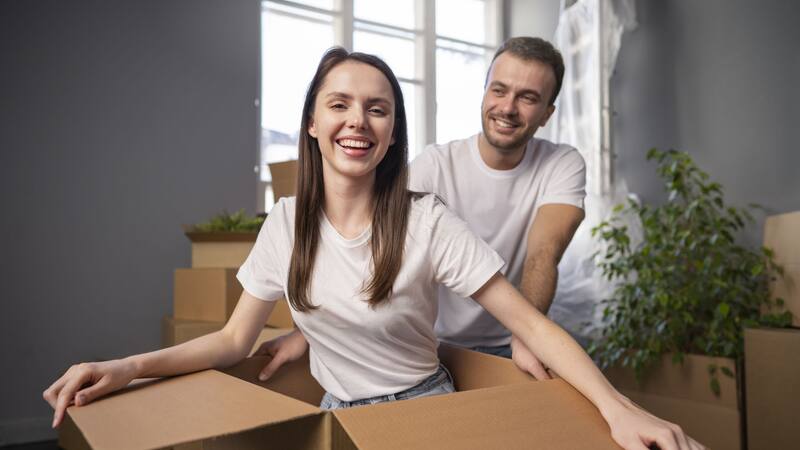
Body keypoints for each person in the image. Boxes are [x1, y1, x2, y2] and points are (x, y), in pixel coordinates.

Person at [44, 47, 702, 450]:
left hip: (427, 412)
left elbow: (529, 321)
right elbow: (232, 342)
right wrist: (126, 367)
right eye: (339, 105)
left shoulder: (427, 220)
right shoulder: (285, 224)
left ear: (392, 136)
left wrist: (622, 411)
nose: (357, 120)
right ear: (313, 123)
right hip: (340, 416)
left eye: (377, 110)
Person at [258, 36, 584, 382]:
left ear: (547, 114)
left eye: (528, 98)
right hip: (435, 345)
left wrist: (526, 334)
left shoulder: (561, 163)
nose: (507, 107)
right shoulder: (435, 166)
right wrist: (309, 332)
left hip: (514, 340)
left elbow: (544, 252)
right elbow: (365, 245)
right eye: (499, 90)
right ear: (484, 91)